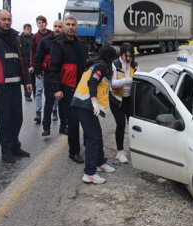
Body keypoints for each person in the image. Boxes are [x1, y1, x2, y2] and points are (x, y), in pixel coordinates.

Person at [0, 10, 32, 163]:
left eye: (9, 19)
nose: (7, 22)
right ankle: (6, 150)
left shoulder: (15, 37)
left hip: (15, 85)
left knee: (17, 118)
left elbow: (22, 60)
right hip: (0, 87)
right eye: (4, 19)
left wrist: (27, 81)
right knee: (4, 120)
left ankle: (15, 146)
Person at [72, 44, 117, 184]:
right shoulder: (101, 66)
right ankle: (89, 173)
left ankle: (100, 162)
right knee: (93, 138)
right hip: (85, 104)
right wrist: (94, 100)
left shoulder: (96, 64)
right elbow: (92, 82)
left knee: (96, 134)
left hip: (84, 105)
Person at [50, 14, 88, 164]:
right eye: (68, 24)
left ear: (76, 26)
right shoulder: (58, 45)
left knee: (86, 119)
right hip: (68, 89)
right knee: (72, 123)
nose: (71, 27)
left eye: (73, 24)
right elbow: (53, 69)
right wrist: (56, 89)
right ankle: (74, 152)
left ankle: (88, 146)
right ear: (64, 26)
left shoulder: (81, 43)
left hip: (82, 88)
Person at [34, 19, 63, 137]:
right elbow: (38, 56)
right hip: (49, 75)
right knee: (49, 101)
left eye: (59, 27)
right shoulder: (45, 41)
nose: (57, 29)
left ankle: (64, 125)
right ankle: (46, 127)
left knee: (65, 103)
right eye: (55, 26)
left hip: (64, 75)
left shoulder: (67, 41)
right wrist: (38, 71)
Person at [110, 43, 138, 163]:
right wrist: (126, 80)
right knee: (120, 124)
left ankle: (135, 149)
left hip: (129, 98)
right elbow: (112, 83)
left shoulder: (134, 65)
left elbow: (138, 78)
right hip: (117, 99)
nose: (128, 58)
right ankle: (120, 151)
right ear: (121, 54)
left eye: (130, 56)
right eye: (126, 56)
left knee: (132, 124)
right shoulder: (115, 65)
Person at [29, 15, 52, 124]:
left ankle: (55, 110)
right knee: (38, 90)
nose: (41, 24)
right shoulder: (35, 37)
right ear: (37, 24)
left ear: (46, 23)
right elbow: (32, 52)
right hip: (39, 68)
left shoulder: (51, 35)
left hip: (50, 68)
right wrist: (32, 65)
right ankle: (38, 112)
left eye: (43, 22)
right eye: (39, 22)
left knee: (51, 91)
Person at [19, 23, 34, 102]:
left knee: (32, 79)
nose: (29, 31)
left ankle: (32, 94)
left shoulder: (33, 37)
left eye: (30, 29)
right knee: (26, 78)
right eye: (28, 29)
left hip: (32, 61)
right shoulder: (20, 38)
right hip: (24, 61)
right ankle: (27, 95)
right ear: (24, 29)